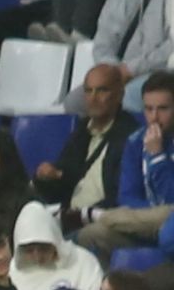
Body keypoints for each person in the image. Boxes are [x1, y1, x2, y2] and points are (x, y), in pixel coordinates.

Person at [74, 69, 174, 258]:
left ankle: (99, 215)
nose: (154, 117)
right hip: (142, 226)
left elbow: (171, 200)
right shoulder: (135, 141)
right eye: (148, 109)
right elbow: (127, 197)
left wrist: (157, 157)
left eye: (163, 109)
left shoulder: (155, 146)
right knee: (91, 234)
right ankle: (105, 286)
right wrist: (148, 215)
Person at [31, 66, 133, 227]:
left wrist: (86, 215)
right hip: (70, 216)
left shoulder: (130, 135)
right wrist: (47, 178)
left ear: (119, 95)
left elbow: (122, 195)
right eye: (88, 91)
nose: (93, 98)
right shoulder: (81, 132)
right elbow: (60, 188)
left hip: (102, 220)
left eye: (102, 90)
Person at [86, 0, 171, 109]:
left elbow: (171, 46)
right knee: (75, 102)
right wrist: (115, 72)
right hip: (118, 76)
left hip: (161, 74)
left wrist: (131, 69)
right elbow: (102, 46)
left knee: (129, 97)